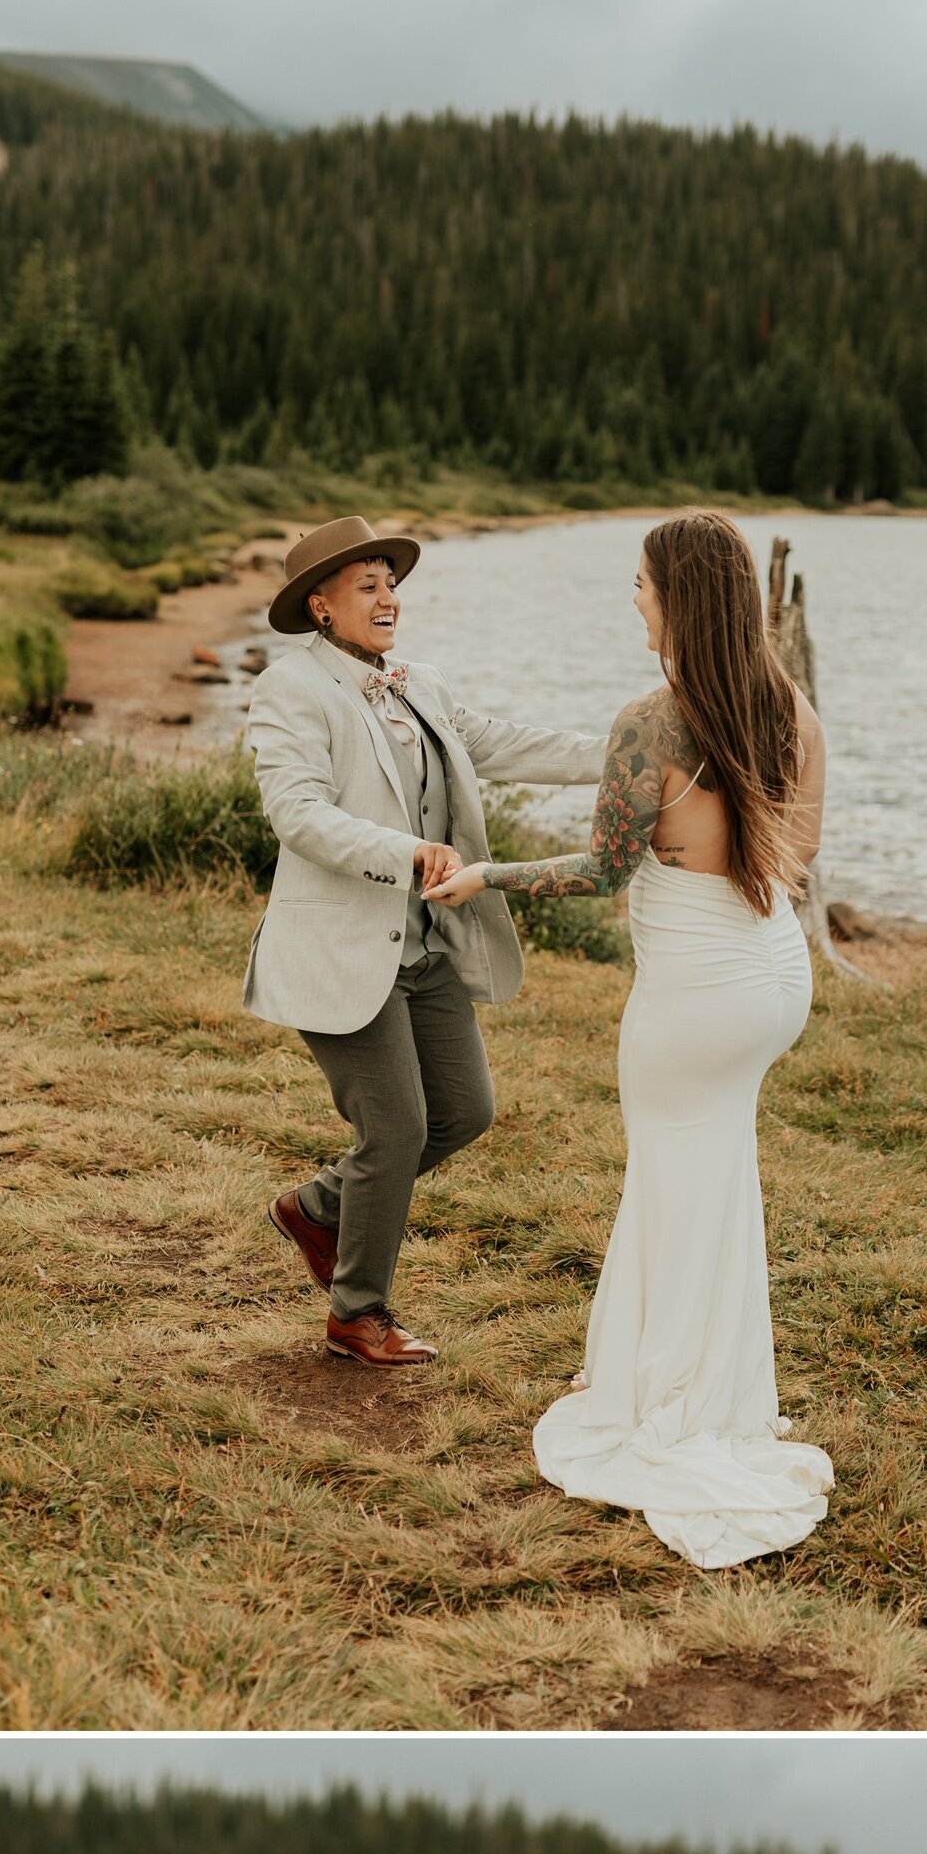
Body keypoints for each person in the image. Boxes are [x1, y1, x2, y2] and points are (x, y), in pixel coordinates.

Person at [433, 508, 832, 1565]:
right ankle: (714, 1382)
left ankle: (673, 1400)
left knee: (671, 1178)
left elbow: (602, 871)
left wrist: (487, 876)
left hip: (692, 1001)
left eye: (643, 582)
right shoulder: (788, 708)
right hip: (770, 982)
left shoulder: (648, 723)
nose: (634, 596)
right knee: (712, 1175)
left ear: (679, 597)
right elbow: (792, 856)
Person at [242, 514, 612, 1365]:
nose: (388, 598)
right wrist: (406, 851)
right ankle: (356, 1314)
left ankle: (317, 1208)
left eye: (391, 581)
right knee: (398, 1129)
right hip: (340, 951)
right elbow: (298, 815)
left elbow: (508, 746)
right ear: (321, 607)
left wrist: (632, 753)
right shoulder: (289, 689)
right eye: (367, 584)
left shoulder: (420, 684)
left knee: (464, 1111)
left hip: (427, 948)